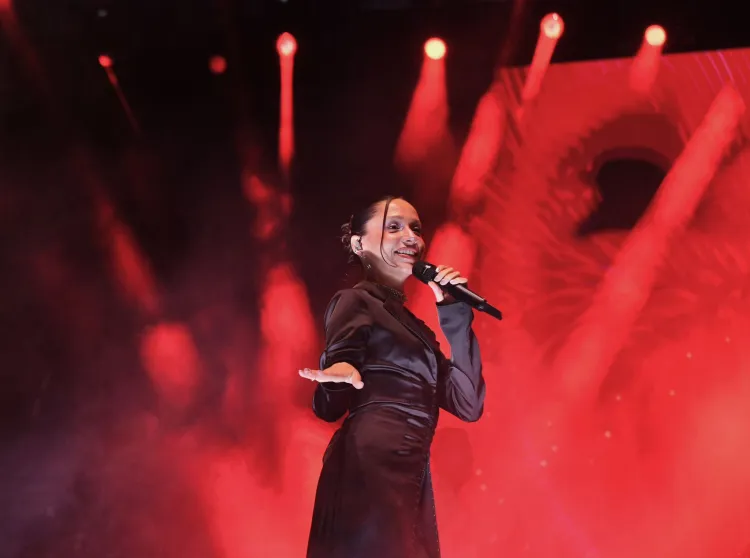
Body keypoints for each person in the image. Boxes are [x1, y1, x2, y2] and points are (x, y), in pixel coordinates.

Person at [298, 196, 486, 558]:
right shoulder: (355, 301)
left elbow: (469, 403)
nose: (411, 236)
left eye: (416, 228)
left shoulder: (420, 333)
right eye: (394, 227)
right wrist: (339, 374)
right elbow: (330, 399)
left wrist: (456, 314)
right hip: (368, 473)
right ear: (359, 244)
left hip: (411, 480)